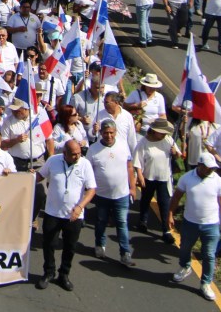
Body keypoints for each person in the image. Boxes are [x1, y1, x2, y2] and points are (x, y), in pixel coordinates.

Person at [35, 140, 97, 291]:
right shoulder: (53, 160)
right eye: (74, 154)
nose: (77, 156)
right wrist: (28, 176)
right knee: (49, 244)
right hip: (52, 212)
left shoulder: (85, 164)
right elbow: (40, 176)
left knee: (70, 246)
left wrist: (80, 206)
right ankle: (48, 272)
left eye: (79, 153)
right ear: (64, 154)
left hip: (74, 215)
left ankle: (64, 274)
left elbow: (91, 190)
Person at [170, 152, 221, 301]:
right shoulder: (187, 178)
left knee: (209, 255)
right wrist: (170, 214)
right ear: (200, 165)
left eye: (213, 168)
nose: (211, 170)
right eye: (208, 167)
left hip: (211, 224)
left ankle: (206, 283)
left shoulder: (218, 181)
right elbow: (176, 197)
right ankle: (185, 266)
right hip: (190, 222)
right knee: (184, 247)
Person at [87, 120, 136, 266]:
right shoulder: (93, 149)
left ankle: (125, 253)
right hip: (102, 195)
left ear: (115, 132)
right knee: (101, 221)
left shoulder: (123, 145)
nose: (108, 135)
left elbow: (129, 167)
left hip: (122, 194)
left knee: (122, 223)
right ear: (101, 133)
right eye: (106, 133)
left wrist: (132, 187)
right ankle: (99, 245)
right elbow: (88, 172)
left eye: (111, 133)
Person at [133, 118, 179, 243]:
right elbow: (137, 160)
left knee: (164, 203)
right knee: (146, 199)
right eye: (161, 132)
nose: (164, 135)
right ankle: (143, 220)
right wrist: (140, 175)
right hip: (149, 177)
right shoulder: (144, 142)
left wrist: (175, 152)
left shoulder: (168, 140)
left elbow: (178, 155)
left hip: (164, 178)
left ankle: (166, 230)